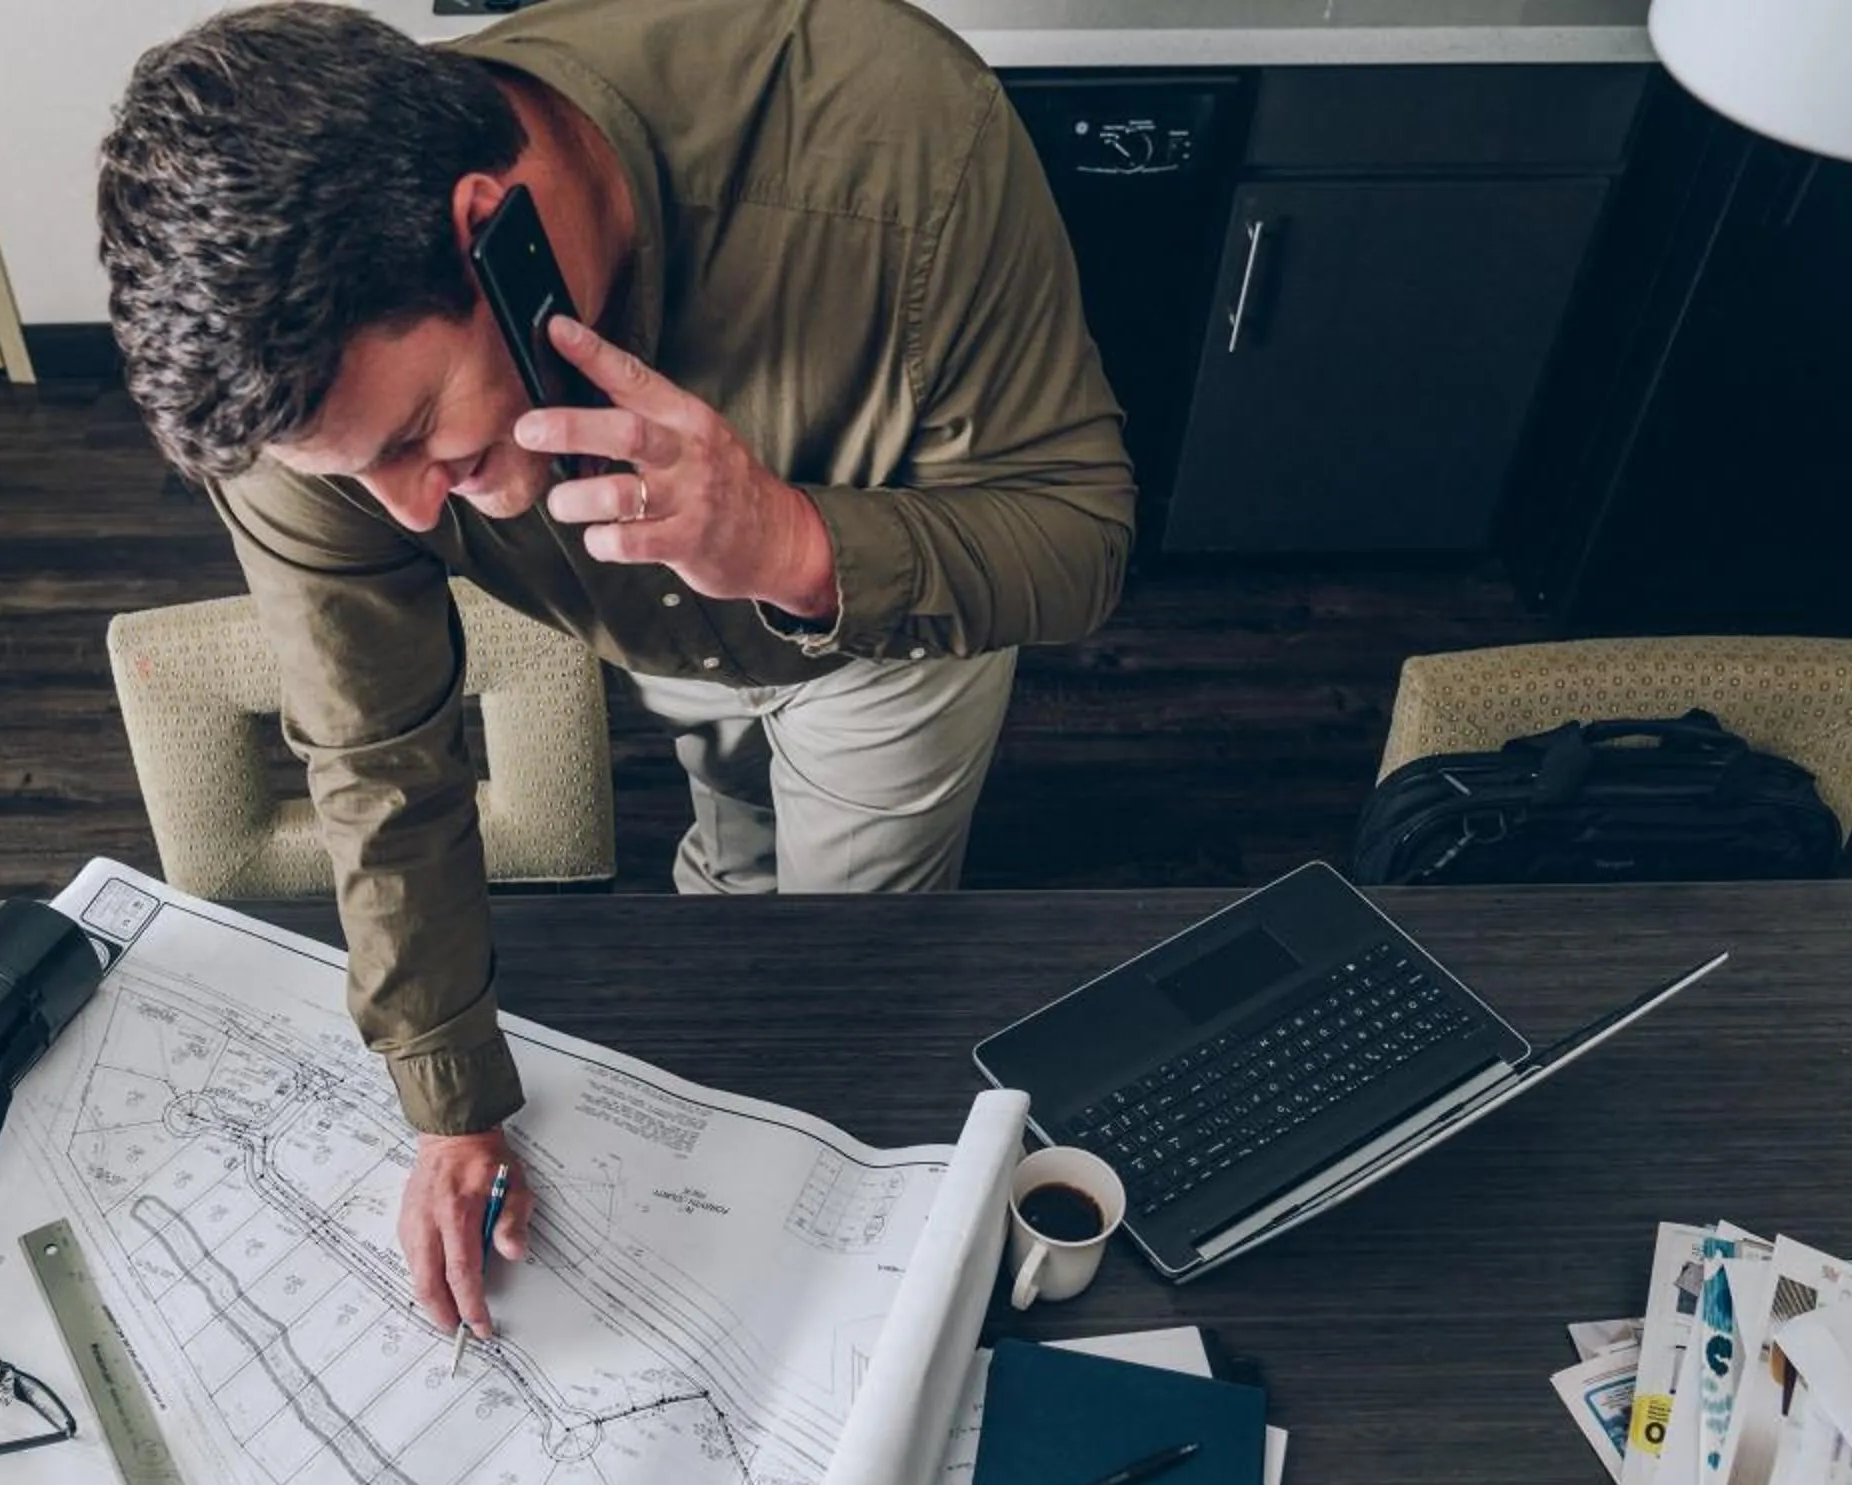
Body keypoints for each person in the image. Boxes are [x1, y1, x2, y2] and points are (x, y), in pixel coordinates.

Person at [98, 0, 1134, 1340]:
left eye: (422, 436)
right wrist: (449, 1099)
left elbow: (1082, 535)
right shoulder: (291, 399)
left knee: (845, 970)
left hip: (888, 640)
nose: (415, 518)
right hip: (655, 648)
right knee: (724, 866)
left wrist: (791, 540)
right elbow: (375, 751)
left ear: (490, 228)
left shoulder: (896, 138)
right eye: (359, 473)